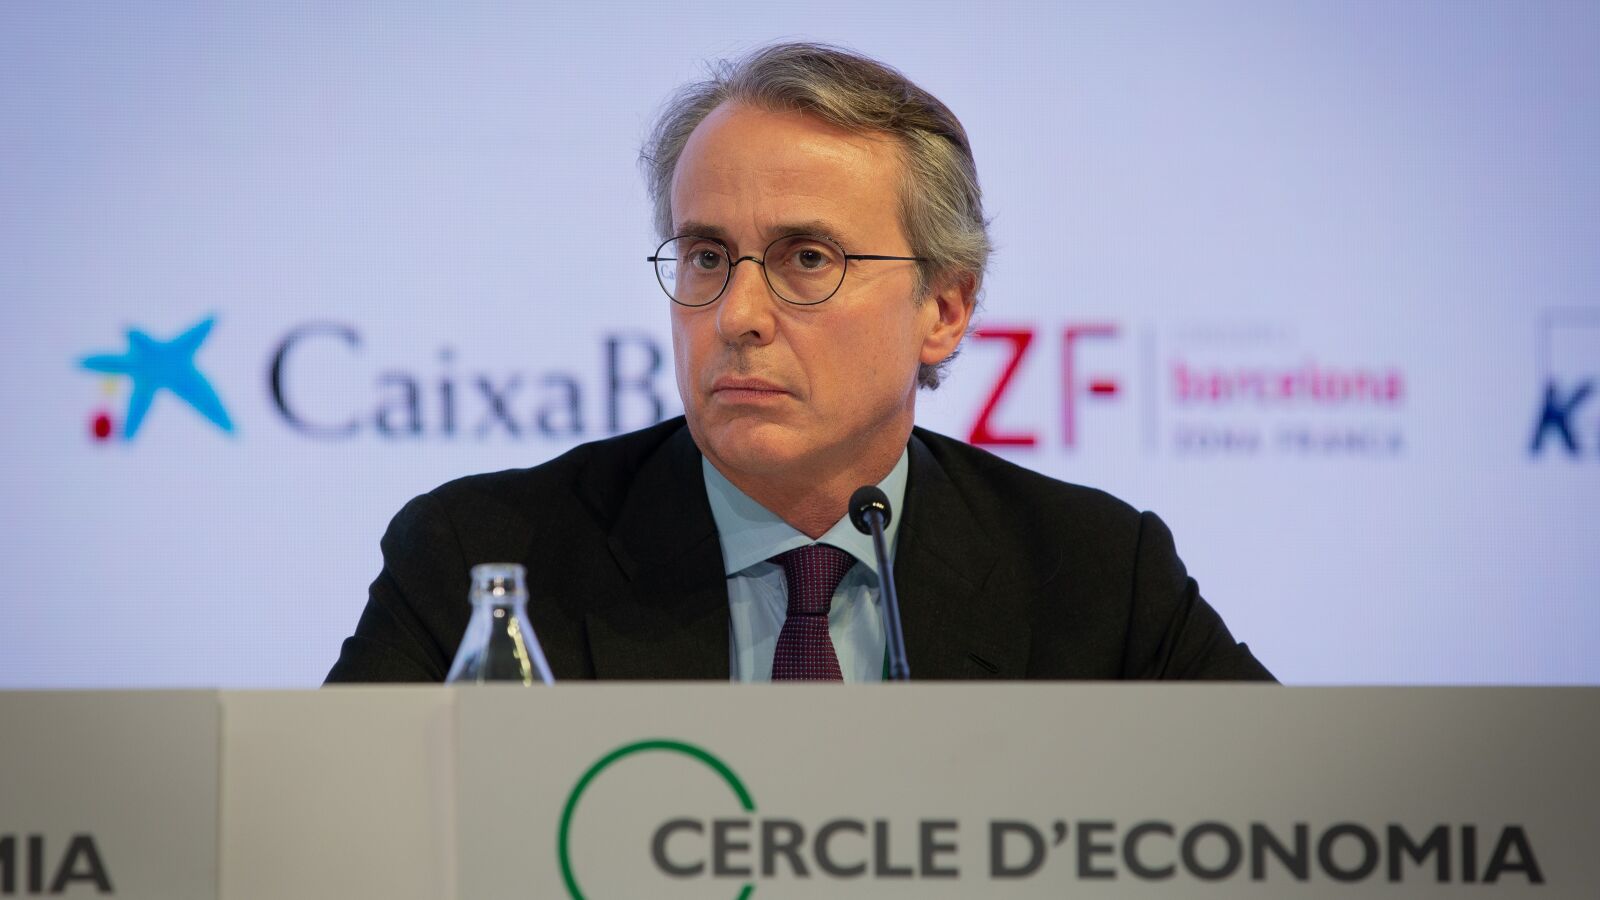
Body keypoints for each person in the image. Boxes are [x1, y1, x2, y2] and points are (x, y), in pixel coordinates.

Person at [325, 42, 1273, 684]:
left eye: (807, 259)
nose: (737, 315)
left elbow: (1286, 832)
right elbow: (336, 847)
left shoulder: (1095, 574)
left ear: (944, 309)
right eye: (706, 256)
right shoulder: (479, 557)